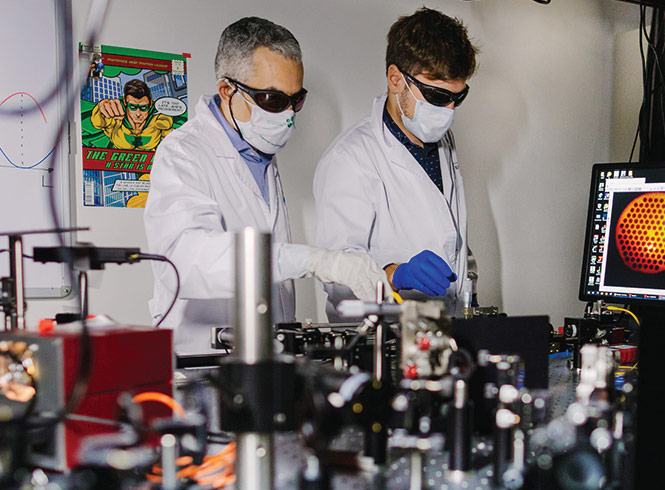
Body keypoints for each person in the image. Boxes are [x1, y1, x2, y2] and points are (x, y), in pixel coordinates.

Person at [145, 17, 388, 355]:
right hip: (202, 360)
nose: (288, 116)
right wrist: (311, 259)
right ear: (228, 90)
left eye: (296, 100)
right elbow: (184, 260)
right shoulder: (183, 153)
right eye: (273, 100)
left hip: (265, 358)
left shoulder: (260, 152)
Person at [314, 7, 478, 320]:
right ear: (395, 79)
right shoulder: (350, 159)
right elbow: (335, 273)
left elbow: (447, 234)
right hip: (379, 339)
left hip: (442, 333)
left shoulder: (443, 143)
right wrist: (395, 274)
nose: (449, 110)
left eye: (459, 97)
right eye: (437, 96)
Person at [90, 79, 174, 150]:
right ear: (125, 102)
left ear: (151, 103)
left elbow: (173, 141)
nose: (138, 113)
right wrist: (101, 108)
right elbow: (99, 123)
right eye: (133, 106)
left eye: (143, 107)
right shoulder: (117, 119)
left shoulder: (157, 121)